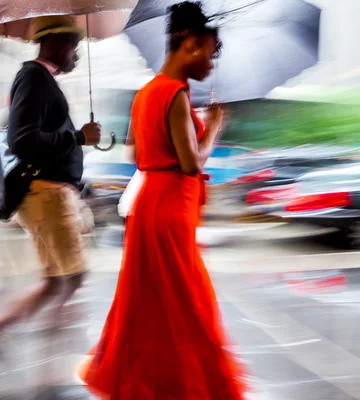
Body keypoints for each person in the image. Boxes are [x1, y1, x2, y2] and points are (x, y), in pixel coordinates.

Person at [78, 2, 247, 399]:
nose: (212, 62)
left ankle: (150, 383)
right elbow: (190, 163)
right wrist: (214, 129)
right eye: (210, 50)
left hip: (151, 208)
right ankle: (192, 386)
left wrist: (189, 127)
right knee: (188, 302)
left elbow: (136, 156)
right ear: (188, 43)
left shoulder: (147, 93)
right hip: (171, 211)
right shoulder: (173, 94)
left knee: (151, 303)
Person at [0, 15, 101, 395]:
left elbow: (35, 135)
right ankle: (49, 378)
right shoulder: (33, 77)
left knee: (56, 284)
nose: (77, 56)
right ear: (55, 43)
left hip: (51, 195)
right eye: (74, 46)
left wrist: (75, 142)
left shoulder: (40, 80)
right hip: (47, 195)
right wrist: (78, 138)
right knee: (71, 280)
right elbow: (23, 140)